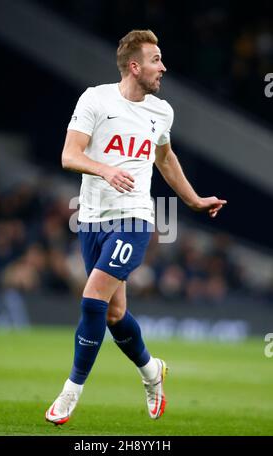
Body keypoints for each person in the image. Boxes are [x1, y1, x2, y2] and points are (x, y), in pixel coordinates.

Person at [45, 29, 227, 425]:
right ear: (134, 66)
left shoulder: (162, 111)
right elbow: (69, 155)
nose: (162, 67)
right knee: (114, 315)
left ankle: (70, 392)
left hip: (135, 219)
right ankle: (151, 372)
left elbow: (165, 159)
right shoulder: (95, 99)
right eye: (155, 60)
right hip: (91, 218)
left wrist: (194, 200)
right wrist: (104, 169)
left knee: (92, 299)